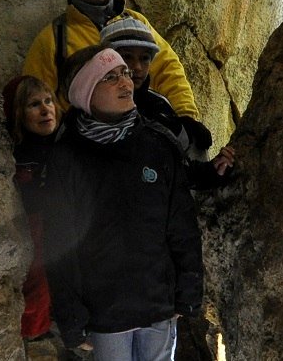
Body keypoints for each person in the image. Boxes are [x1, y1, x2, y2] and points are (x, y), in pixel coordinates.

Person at [38, 46, 204, 361]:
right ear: (86, 92)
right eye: (110, 78)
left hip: (158, 305)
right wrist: (73, 319)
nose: (125, 83)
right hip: (104, 316)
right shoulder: (67, 158)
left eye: (125, 73)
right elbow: (59, 247)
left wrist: (188, 295)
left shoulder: (157, 144)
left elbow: (182, 226)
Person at [22, 0, 201, 122]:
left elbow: (167, 68)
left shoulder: (135, 22)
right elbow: (34, 96)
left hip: (146, 128)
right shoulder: (54, 37)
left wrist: (186, 116)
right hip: (87, 140)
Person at [100, 18, 236, 190]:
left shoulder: (159, 108)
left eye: (145, 58)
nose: (137, 67)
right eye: (127, 57)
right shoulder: (91, 112)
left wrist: (214, 169)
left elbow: (179, 169)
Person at [1, 76, 64, 354]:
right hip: (32, 226)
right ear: (18, 114)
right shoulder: (14, 152)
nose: (45, 109)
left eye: (49, 101)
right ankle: (33, 333)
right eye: (34, 104)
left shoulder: (65, 145)